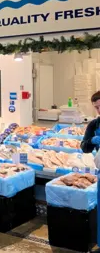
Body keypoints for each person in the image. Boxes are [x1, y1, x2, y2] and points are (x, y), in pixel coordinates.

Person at [81, 91, 100, 247]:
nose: (99, 110)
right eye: (97, 108)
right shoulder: (94, 125)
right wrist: (92, 140)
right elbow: (84, 147)